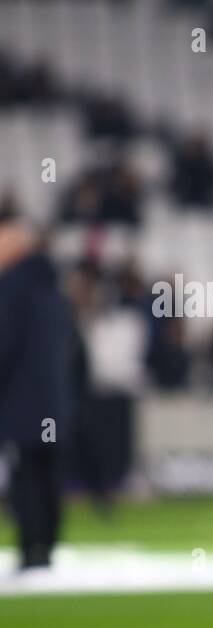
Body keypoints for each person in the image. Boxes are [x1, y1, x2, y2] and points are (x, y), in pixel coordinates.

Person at [0, 214, 76, 573]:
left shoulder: (12, 287)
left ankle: (33, 549)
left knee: (26, 476)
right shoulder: (53, 287)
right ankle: (47, 545)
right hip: (53, 403)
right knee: (47, 476)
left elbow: (5, 346)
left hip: (21, 403)